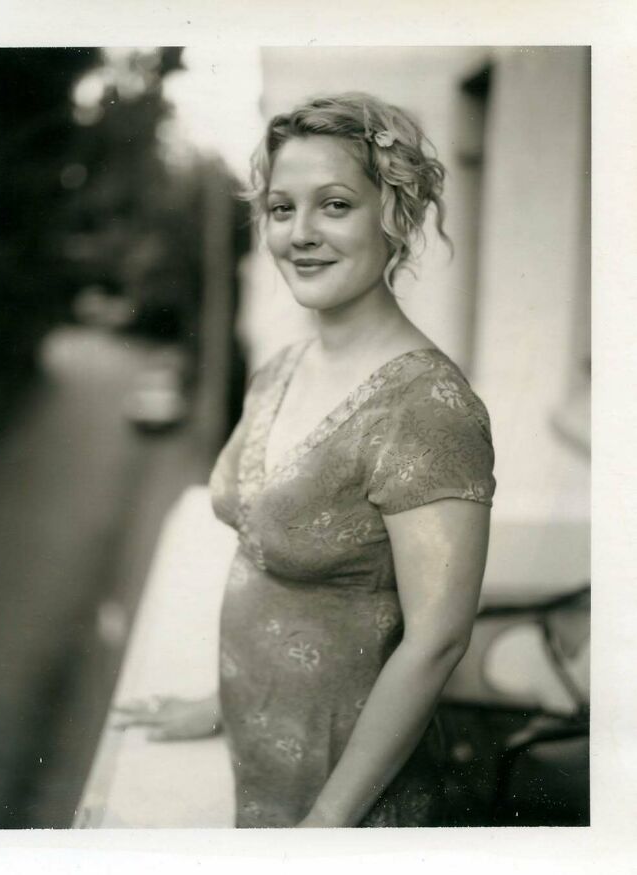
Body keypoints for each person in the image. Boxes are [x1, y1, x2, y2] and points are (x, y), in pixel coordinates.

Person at [114, 92, 496, 828]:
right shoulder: (281, 368)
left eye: (335, 205)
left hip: (344, 796)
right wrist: (218, 704)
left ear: (396, 215)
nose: (301, 233)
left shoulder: (428, 408)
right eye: (282, 208)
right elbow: (274, 568)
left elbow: (438, 639)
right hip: (255, 755)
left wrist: (324, 826)